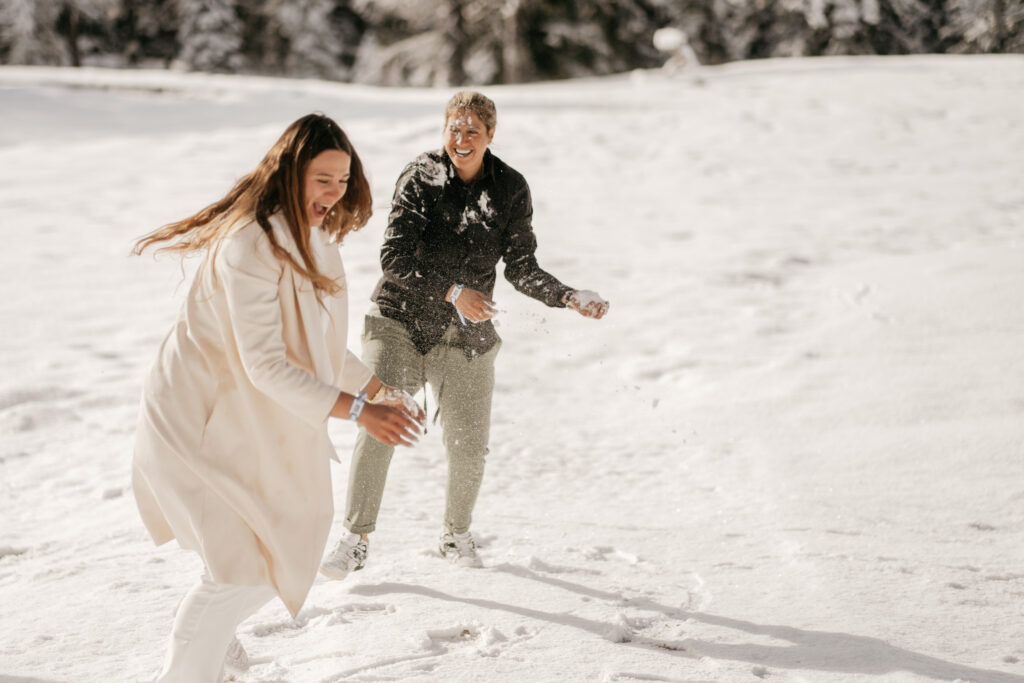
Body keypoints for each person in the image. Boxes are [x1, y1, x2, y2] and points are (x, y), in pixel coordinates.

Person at [131, 113, 424, 682]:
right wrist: (360, 412)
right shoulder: (250, 244)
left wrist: (376, 388)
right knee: (244, 568)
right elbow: (266, 364)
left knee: (268, 552)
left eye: (343, 180)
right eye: (323, 179)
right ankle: (194, 667)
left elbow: (316, 344)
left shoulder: (314, 238)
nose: (334, 192)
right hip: (198, 420)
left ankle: (214, 651)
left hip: (245, 418)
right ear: (291, 173)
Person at [319, 91, 608, 578]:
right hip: (399, 321)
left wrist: (566, 295)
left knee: (470, 443)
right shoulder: (421, 176)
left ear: (490, 134)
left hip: (465, 334)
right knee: (382, 419)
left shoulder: (510, 187)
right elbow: (394, 259)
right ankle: (355, 539)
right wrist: (453, 291)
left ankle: (456, 534)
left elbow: (521, 267)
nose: (462, 137)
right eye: (454, 128)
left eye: (473, 129)